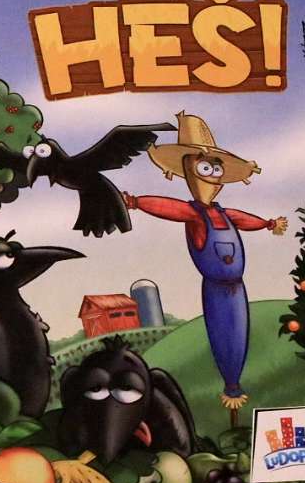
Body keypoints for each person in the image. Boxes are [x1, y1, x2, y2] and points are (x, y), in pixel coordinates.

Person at [123, 112, 287, 421]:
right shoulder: (193, 214)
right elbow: (168, 207)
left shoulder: (225, 213)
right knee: (225, 338)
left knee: (240, 336)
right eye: (204, 168)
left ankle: (235, 390)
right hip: (216, 290)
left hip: (237, 288)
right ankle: (231, 390)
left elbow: (244, 219)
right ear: (189, 170)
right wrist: (136, 202)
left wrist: (267, 224)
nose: (211, 176)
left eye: (215, 168)